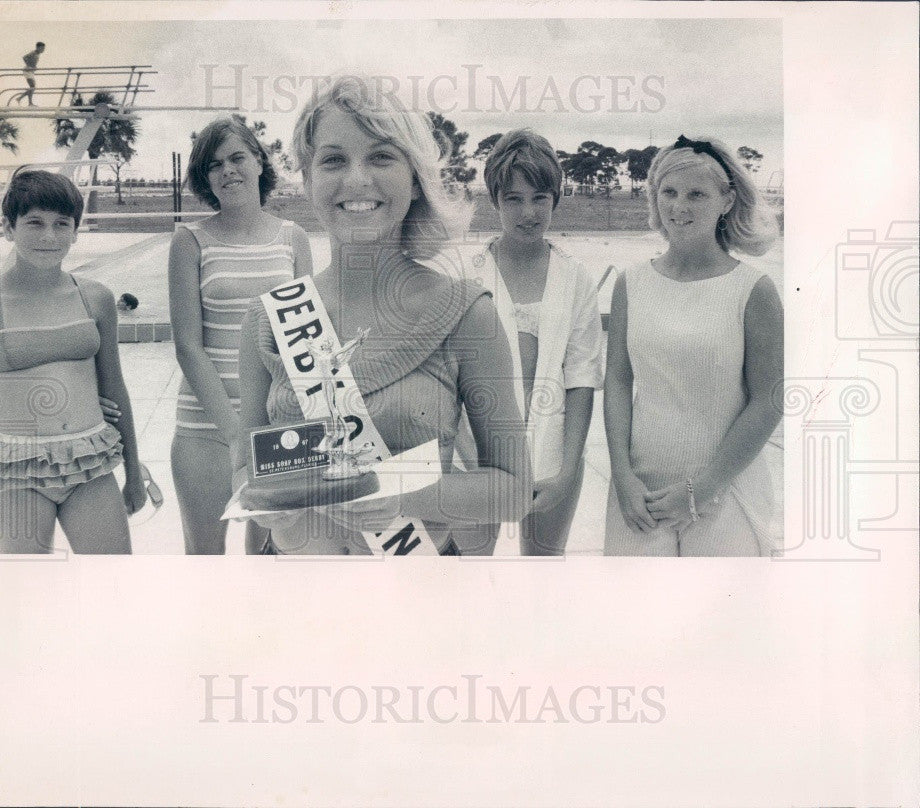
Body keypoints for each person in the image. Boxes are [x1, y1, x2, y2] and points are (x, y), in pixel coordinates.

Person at [234, 75, 532, 555]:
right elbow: (246, 468)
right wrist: (272, 510)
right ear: (307, 180)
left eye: (381, 156)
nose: (356, 179)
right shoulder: (267, 321)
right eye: (333, 159)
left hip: (412, 603)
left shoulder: (466, 315)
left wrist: (396, 492)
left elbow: (513, 492)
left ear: (415, 179)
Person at [0, 170, 146, 553]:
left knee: (113, 584)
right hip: (17, 469)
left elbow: (114, 388)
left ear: (75, 231)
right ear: (8, 228)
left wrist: (134, 472)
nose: (49, 237)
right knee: (27, 594)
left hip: (89, 462)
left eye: (61, 224)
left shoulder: (95, 298)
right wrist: (19, 406)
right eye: (34, 223)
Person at [604, 135, 783, 556]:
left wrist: (702, 488)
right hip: (639, 496)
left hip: (726, 494)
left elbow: (769, 401)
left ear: (726, 201)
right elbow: (616, 380)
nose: (678, 207)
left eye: (696, 194)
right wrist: (622, 477)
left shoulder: (753, 289)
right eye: (669, 192)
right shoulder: (631, 282)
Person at [169, 117, 312, 554]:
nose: (227, 170)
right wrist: (236, 434)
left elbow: (303, 340)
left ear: (258, 162)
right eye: (214, 165)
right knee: (205, 558)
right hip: (207, 426)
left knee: (269, 559)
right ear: (204, 178)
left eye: (237, 158)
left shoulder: (293, 238)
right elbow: (188, 348)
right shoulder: (190, 240)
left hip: (276, 423)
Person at [472, 129, 603, 555]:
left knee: (544, 574)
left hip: (553, 456)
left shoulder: (575, 276)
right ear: (495, 200)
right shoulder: (466, 273)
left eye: (540, 198)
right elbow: (450, 374)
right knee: (463, 577)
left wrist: (567, 469)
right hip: (476, 458)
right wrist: (467, 464)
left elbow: (581, 373)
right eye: (513, 199)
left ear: (556, 199)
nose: (528, 212)